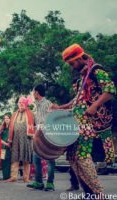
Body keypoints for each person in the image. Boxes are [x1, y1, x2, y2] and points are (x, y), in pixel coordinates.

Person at [53, 43, 115, 197]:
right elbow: (78, 100)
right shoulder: (83, 76)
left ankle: (98, 193)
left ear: (80, 57)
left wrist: (94, 106)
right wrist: (62, 107)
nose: (72, 66)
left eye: (73, 62)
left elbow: (110, 90)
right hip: (77, 121)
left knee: (81, 155)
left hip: (88, 122)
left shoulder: (96, 71)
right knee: (72, 157)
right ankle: (89, 192)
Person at [26, 85, 56, 191]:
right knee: (36, 158)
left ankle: (50, 183)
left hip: (48, 135)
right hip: (38, 135)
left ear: (37, 93)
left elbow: (51, 119)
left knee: (50, 159)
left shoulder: (48, 104)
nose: (33, 94)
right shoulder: (37, 105)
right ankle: (38, 182)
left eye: (33, 92)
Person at [6, 96, 34, 183]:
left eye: (22, 103)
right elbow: (10, 127)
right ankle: (13, 177)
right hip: (15, 139)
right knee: (14, 158)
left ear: (26, 104)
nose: (21, 104)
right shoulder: (14, 114)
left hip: (27, 139)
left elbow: (36, 125)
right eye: (19, 103)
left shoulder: (31, 114)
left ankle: (26, 178)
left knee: (26, 158)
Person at [0, 114, 11, 181]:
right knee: (3, 160)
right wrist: (5, 143)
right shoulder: (2, 127)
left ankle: (8, 176)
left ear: (10, 119)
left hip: (9, 146)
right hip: (2, 146)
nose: (6, 119)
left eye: (7, 118)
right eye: (5, 118)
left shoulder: (12, 127)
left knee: (8, 161)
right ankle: (5, 176)